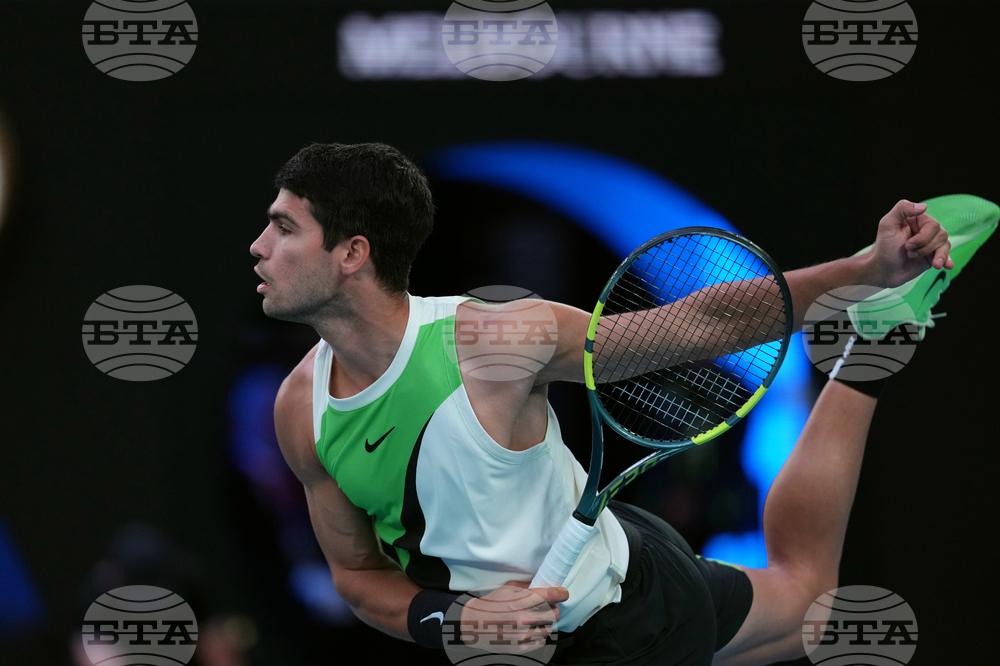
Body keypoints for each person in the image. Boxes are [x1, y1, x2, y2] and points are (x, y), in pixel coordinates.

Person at [250, 142, 955, 665]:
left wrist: (865, 270)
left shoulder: (493, 339)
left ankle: (866, 342)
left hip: (631, 617)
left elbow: (696, 325)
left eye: (284, 228)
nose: (258, 247)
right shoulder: (298, 408)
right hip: (526, 627)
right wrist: (456, 621)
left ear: (351, 254)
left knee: (807, 597)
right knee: (807, 601)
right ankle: (873, 352)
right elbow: (358, 576)